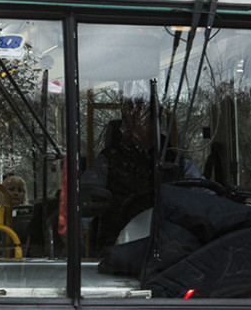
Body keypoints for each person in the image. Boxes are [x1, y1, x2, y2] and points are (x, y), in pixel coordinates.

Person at [80, 97, 200, 254]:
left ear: (154, 124)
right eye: (125, 122)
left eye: (136, 121)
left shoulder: (179, 164)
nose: (127, 129)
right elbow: (84, 201)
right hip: (116, 251)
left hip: (171, 253)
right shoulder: (107, 162)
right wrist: (75, 235)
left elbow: (203, 200)